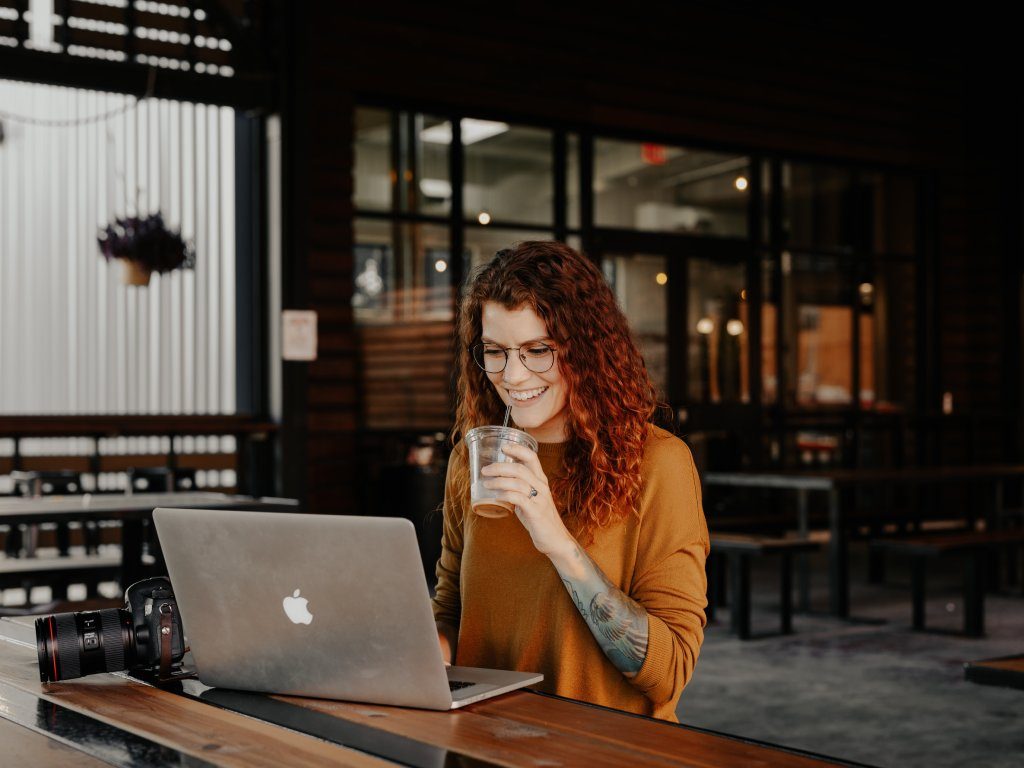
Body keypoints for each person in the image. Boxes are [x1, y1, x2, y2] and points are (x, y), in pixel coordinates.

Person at [431, 241, 709, 723]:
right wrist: (415, 647)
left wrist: (556, 540)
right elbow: (453, 606)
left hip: (604, 748)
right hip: (484, 742)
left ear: (587, 349)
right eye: (495, 352)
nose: (513, 375)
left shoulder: (658, 463)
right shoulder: (473, 460)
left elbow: (669, 672)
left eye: (538, 350)